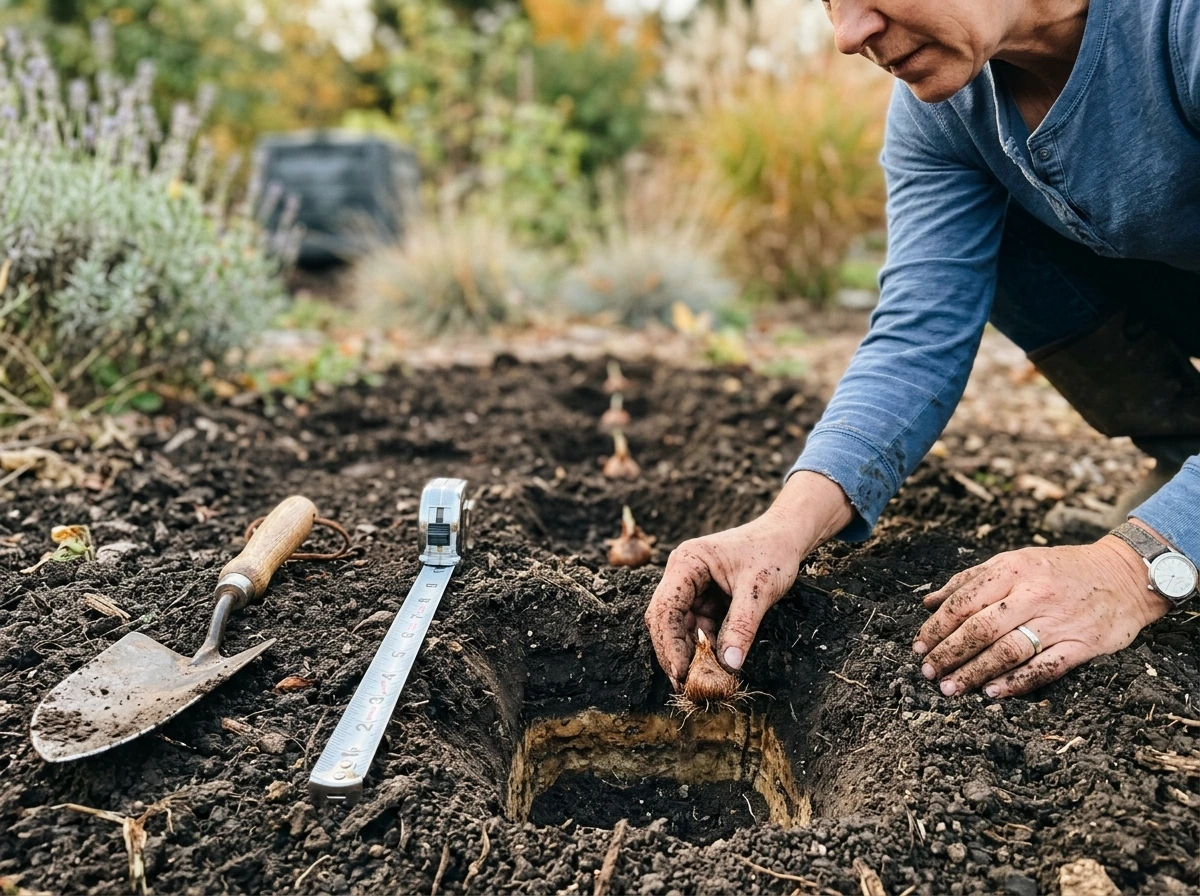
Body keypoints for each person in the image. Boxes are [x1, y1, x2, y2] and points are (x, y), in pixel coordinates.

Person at [644, 0, 1200, 700]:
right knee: (998, 235)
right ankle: (1186, 452)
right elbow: (919, 330)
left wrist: (1135, 565)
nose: (847, 35)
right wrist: (783, 529)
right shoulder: (945, 108)